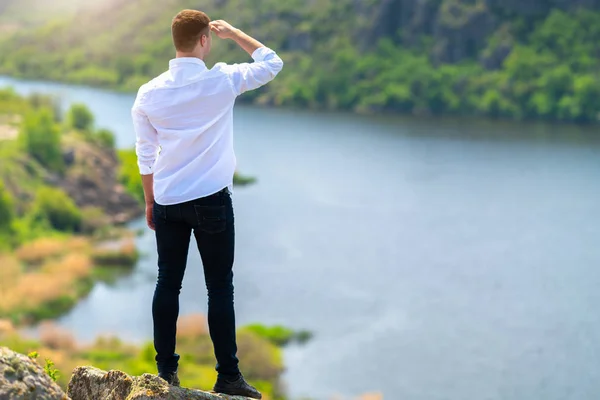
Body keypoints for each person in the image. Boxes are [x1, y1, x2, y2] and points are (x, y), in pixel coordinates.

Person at [131, 9, 283, 399]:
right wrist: (235, 35)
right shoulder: (223, 79)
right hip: (212, 201)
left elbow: (145, 155)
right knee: (219, 288)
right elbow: (272, 62)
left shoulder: (149, 92)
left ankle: (165, 373)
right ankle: (228, 377)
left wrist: (150, 201)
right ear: (204, 40)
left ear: (174, 41)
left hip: (166, 200)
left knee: (168, 282)